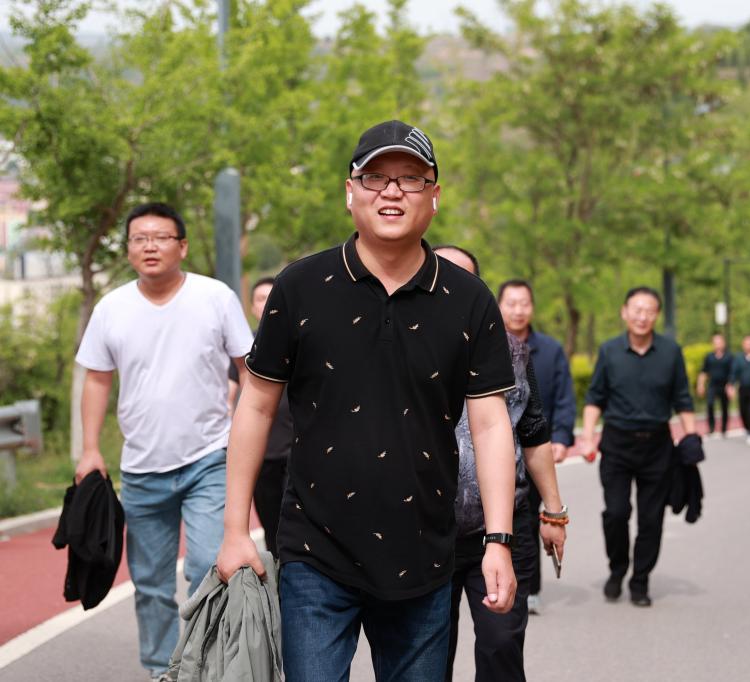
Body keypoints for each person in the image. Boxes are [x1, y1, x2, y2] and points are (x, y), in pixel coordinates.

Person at [215, 121, 520, 681]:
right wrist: (235, 530)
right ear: (350, 192)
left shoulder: (470, 299)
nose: (392, 191)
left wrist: (497, 541)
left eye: (411, 178)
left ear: (434, 195)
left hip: (425, 553)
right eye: (375, 177)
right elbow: (255, 406)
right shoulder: (299, 287)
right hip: (315, 549)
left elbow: (491, 425)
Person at [74, 202, 253, 680]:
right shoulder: (111, 308)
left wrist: (245, 430)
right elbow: (97, 379)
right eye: (139, 238)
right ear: (129, 249)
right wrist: (90, 449)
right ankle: (161, 671)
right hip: (141, 469)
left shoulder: (214, 297)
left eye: (160, 237)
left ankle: (204, 667)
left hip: (208, 459)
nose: (149, 246)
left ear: (182, 246)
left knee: (208, 567)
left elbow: (248, 368)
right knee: (151, 584)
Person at [435, 248, 567, 682]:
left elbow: (534, 433)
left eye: (461, 279)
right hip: (425, 536)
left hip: (503, 529)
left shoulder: (512, 353)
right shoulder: (397, 346)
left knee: (501, 647)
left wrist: (554, 512)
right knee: (428, 659)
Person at [579, 286, 698, 607]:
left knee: (651, 519)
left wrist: (691, 440)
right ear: (625, 312)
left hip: (657, 446)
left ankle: (640, 580)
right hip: (617, 444)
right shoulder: (609, 351)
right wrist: (588, 437)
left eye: (649, 311)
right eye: (637, 310)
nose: (642, 316)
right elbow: (595, 398)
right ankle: (617, 569)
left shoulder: (671, 352)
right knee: (616, 513)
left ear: (656, 315)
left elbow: (683, 400)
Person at [495, 277, 576, 615]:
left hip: (534, 448)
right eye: (511, 303)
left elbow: (564, 397)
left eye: (524, 303)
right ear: (499, 306)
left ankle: (529, 587)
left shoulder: (551, 350)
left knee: (528, 518)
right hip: (496, 450)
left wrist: (561, 438)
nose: (518, 310)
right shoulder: (486, 345)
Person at [226, 277, 292, 558]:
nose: (266, 304)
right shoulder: (247, 348)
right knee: (271, 528)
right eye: (260, 299)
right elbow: (231, 393)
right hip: (262, 454)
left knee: (295, 525)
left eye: (270, 297)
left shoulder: (299, 336)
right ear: (252, 307)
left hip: (296, 450)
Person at [698, 334, 733, 438]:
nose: (717, 344)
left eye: (719, 342)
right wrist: (701, 385)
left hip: (725, 385)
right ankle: (711, 427)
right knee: (710, 404)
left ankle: (724, 428)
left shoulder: (729, 357)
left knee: (724, 407)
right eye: (715, 342)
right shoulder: (709, 357)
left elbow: (733, 373)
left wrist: (730, 386)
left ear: (723, 343)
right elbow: (704, 372)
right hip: (712, 385)